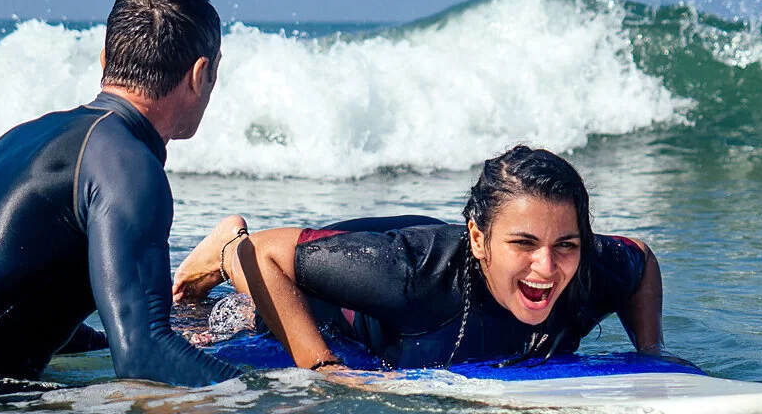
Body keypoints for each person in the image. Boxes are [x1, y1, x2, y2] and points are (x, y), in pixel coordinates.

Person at [0, 0, 237, 387]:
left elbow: (14, 305)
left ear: (105, 61)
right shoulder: (130, 166)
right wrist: (271, 401)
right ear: (200, 74)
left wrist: (117, 340)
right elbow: (144, 359)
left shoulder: (26, 137)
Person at [172, 145, 676, 370]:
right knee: (238, 312)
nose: (547, 267)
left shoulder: (589, 268)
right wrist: (324, 369)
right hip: (355, 274)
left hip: (417, 246)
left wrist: (649, 355)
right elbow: (261, 255)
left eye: (565, 245)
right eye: (523, 244)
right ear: (479, 240)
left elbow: (643, 260)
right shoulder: (409, 279)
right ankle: (217, 244)